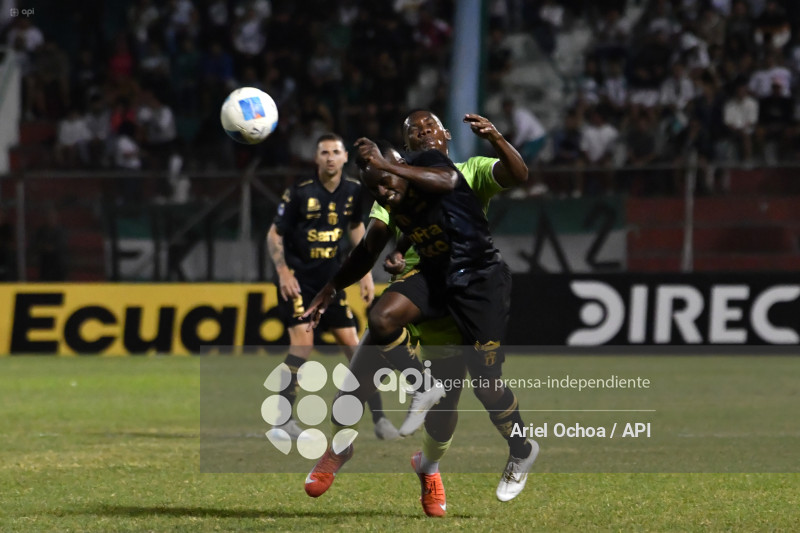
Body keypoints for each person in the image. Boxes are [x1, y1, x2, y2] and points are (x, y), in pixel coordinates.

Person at [301, 110, 529, 516]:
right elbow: (372, 243)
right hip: (411, 296)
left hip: (454, 299)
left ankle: (430, 470)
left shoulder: (468, 172)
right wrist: (344, 280)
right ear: (405, 150)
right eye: (413, 133)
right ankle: (339, 449)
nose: (423, 133)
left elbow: (514, 175)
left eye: (430, 127)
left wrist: (496, 136)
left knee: (445, 410)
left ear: (445, 136)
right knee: (354, 388)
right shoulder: (391, 182)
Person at [266, 132, 398, 441]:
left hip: (330, 282)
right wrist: (283, 271)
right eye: (323, 152)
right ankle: (282, 421)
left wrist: (364, 274)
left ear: (343, 158)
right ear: (316, 158)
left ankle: (380, 421)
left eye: (335, 151)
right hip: (298, 281)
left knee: (355, 350)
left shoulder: (353, 190)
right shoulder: (299, 192)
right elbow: (275, 234)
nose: (329, 156)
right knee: (302, 344)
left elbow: (355, 228)